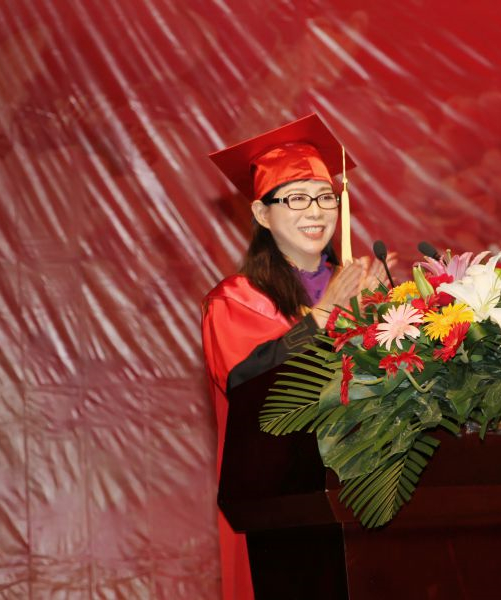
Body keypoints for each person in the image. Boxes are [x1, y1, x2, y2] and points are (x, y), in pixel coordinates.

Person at [202, 114, 393, 600]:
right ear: (263, 214)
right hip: (284, 507)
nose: (316, 211)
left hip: (373, 498)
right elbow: (249, 386)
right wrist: (324, 317)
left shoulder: (364, 289)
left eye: (326, 197)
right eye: (296, 198)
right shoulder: (237, 300)